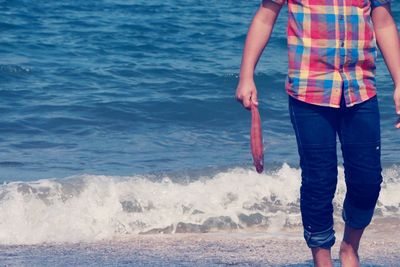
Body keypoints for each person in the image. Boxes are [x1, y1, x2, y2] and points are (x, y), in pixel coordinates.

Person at [235, 0, 400, 266]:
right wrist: (246, 75)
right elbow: (265, 18)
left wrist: (399, 81)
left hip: (361, 89)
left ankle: (349, 248)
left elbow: (383, 22)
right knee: (319, 182)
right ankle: (322, 258)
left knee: (368, 181)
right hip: (308, 91)